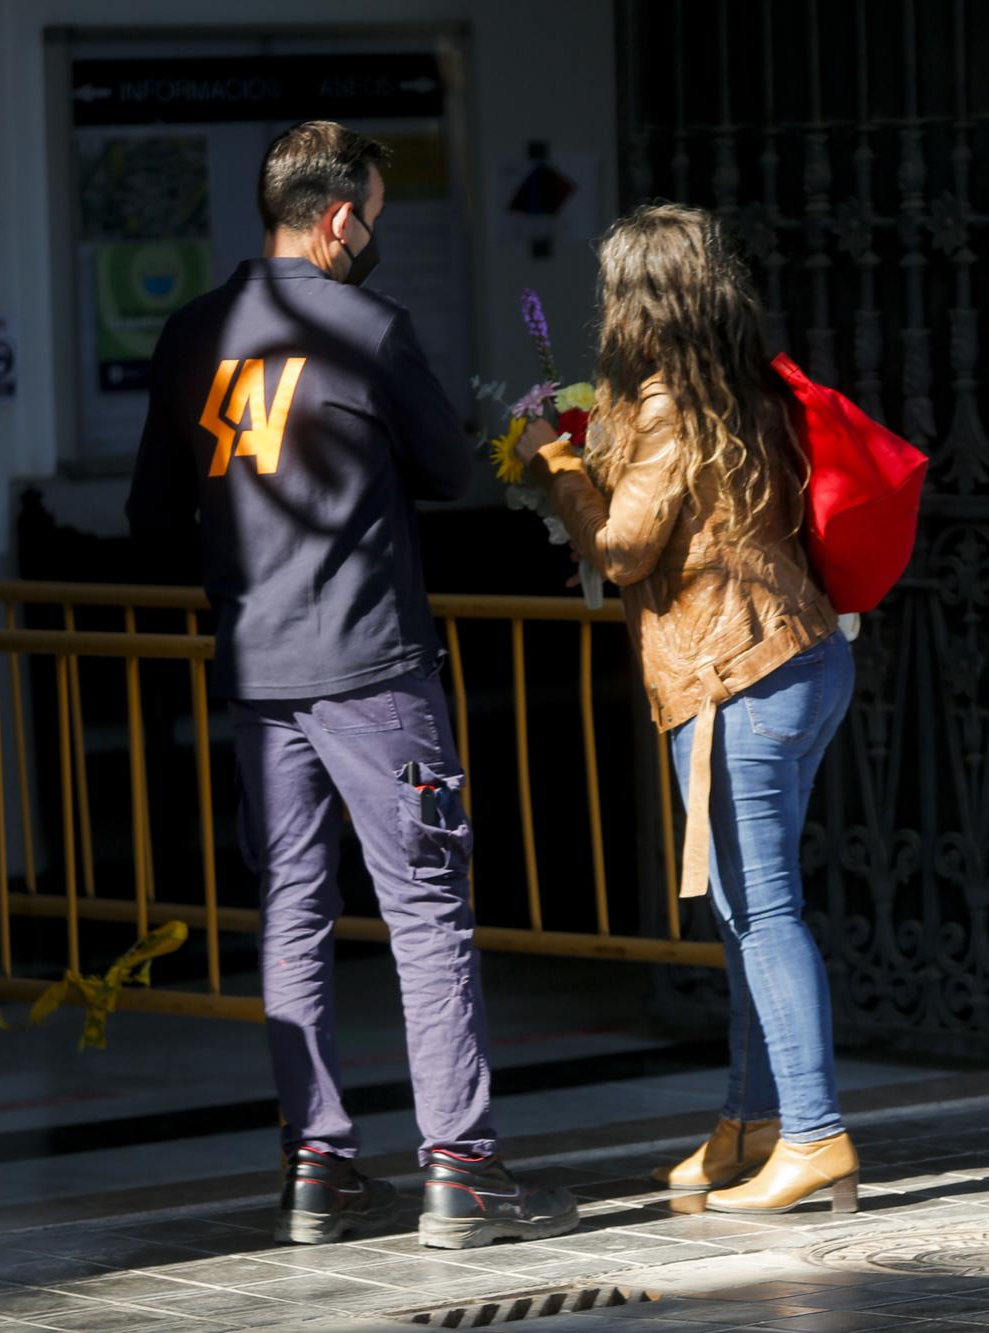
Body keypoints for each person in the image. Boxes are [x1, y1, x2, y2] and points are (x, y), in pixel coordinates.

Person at [126, 120, 578, 1251]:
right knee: (425, 908)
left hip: (255, 668)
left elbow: (149, 507)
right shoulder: (369, 327)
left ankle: (316, 1167)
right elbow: (445, 468)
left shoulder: (189, 335)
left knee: (291, 909)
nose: (374, 234)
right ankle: (461, 1169)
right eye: (373, 215)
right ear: (337, 220)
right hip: (373, 668)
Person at [516, 203, 858, 1215]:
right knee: (747, 910)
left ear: (640, 301)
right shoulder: (744, 386)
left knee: (761, 911)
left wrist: (555, 462)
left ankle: (811, 1132)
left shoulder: (668, 405)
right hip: (796, 658)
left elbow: (621, 548)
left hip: (734, 677)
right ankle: (752, 1119)